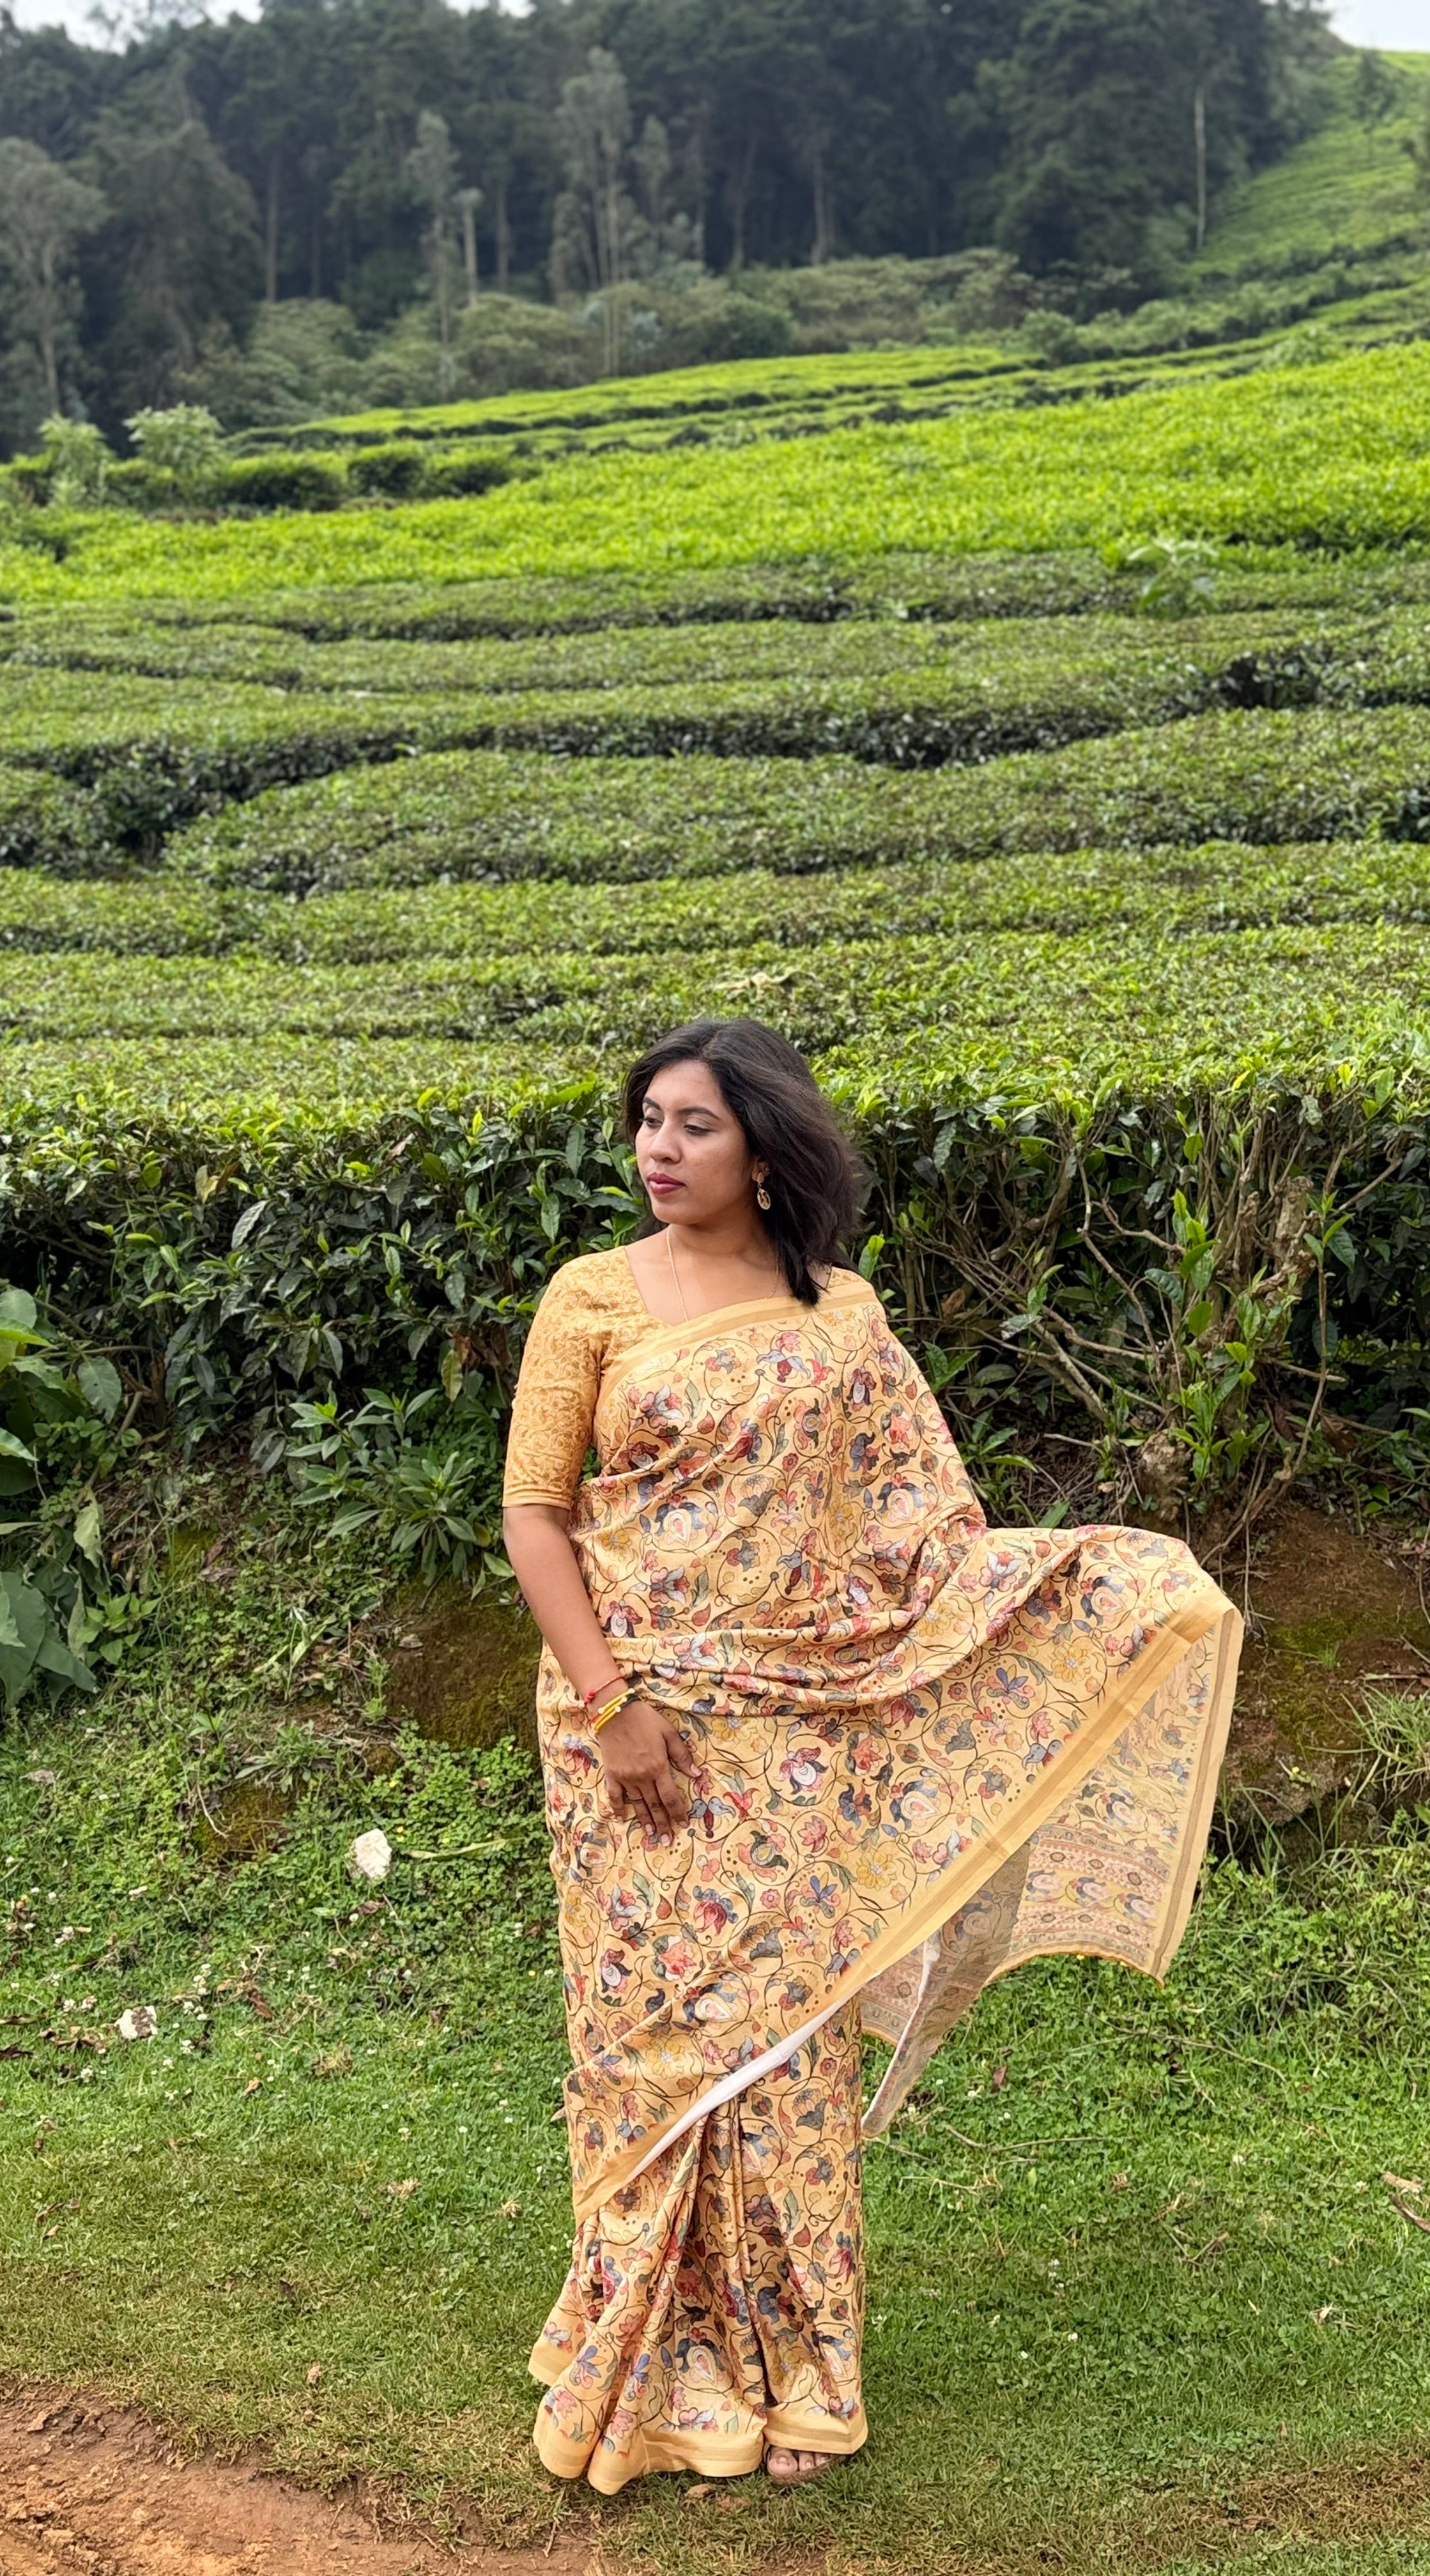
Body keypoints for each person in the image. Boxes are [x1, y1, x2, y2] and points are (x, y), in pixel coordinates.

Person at [502, 1018, 1239, 2494]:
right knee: (649, 2040)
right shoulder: (589, 1300)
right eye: (647, 1120)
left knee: (787, 2047)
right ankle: (670, 2364)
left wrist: (1088, 1592)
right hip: (625, 1716)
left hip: (796, 1723)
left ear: (765, 1151)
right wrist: (611, 1705)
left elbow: (921, 1531)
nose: (658, 1148)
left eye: (694, 1124)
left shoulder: (844, 1320)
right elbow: (535, 1515)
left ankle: (804, 2366)